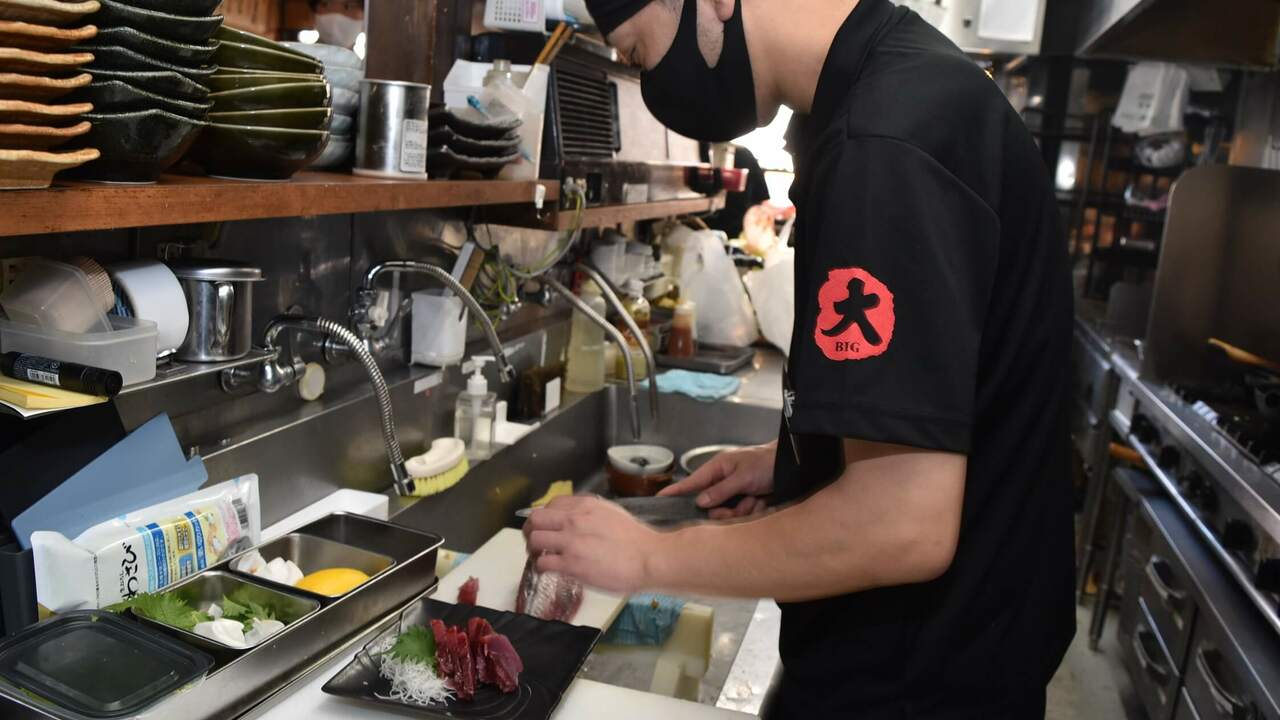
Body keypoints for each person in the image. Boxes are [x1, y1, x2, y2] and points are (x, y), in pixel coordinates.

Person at [524, 0, 1075, 717]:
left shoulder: (885, 140)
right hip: (951, 662)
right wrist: (804, 453)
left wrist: (650, 558)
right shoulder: (896, 86)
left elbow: (901, 524)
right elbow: (952, 396)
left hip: (915, 688)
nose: (649, 78)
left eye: (635, 52)